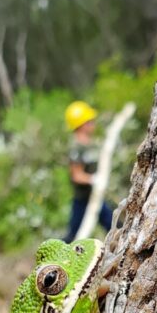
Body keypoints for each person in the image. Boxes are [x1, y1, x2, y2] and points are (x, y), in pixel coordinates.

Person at [64, 101, 114, 242]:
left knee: (112, 224)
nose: (93, 123)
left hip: (94, 195)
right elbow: (76, 175)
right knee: (73, 235)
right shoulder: (77, 147)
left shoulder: (90, 143)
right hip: (83, 199)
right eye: (89, 121)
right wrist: (93, 179)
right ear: (81, 124)